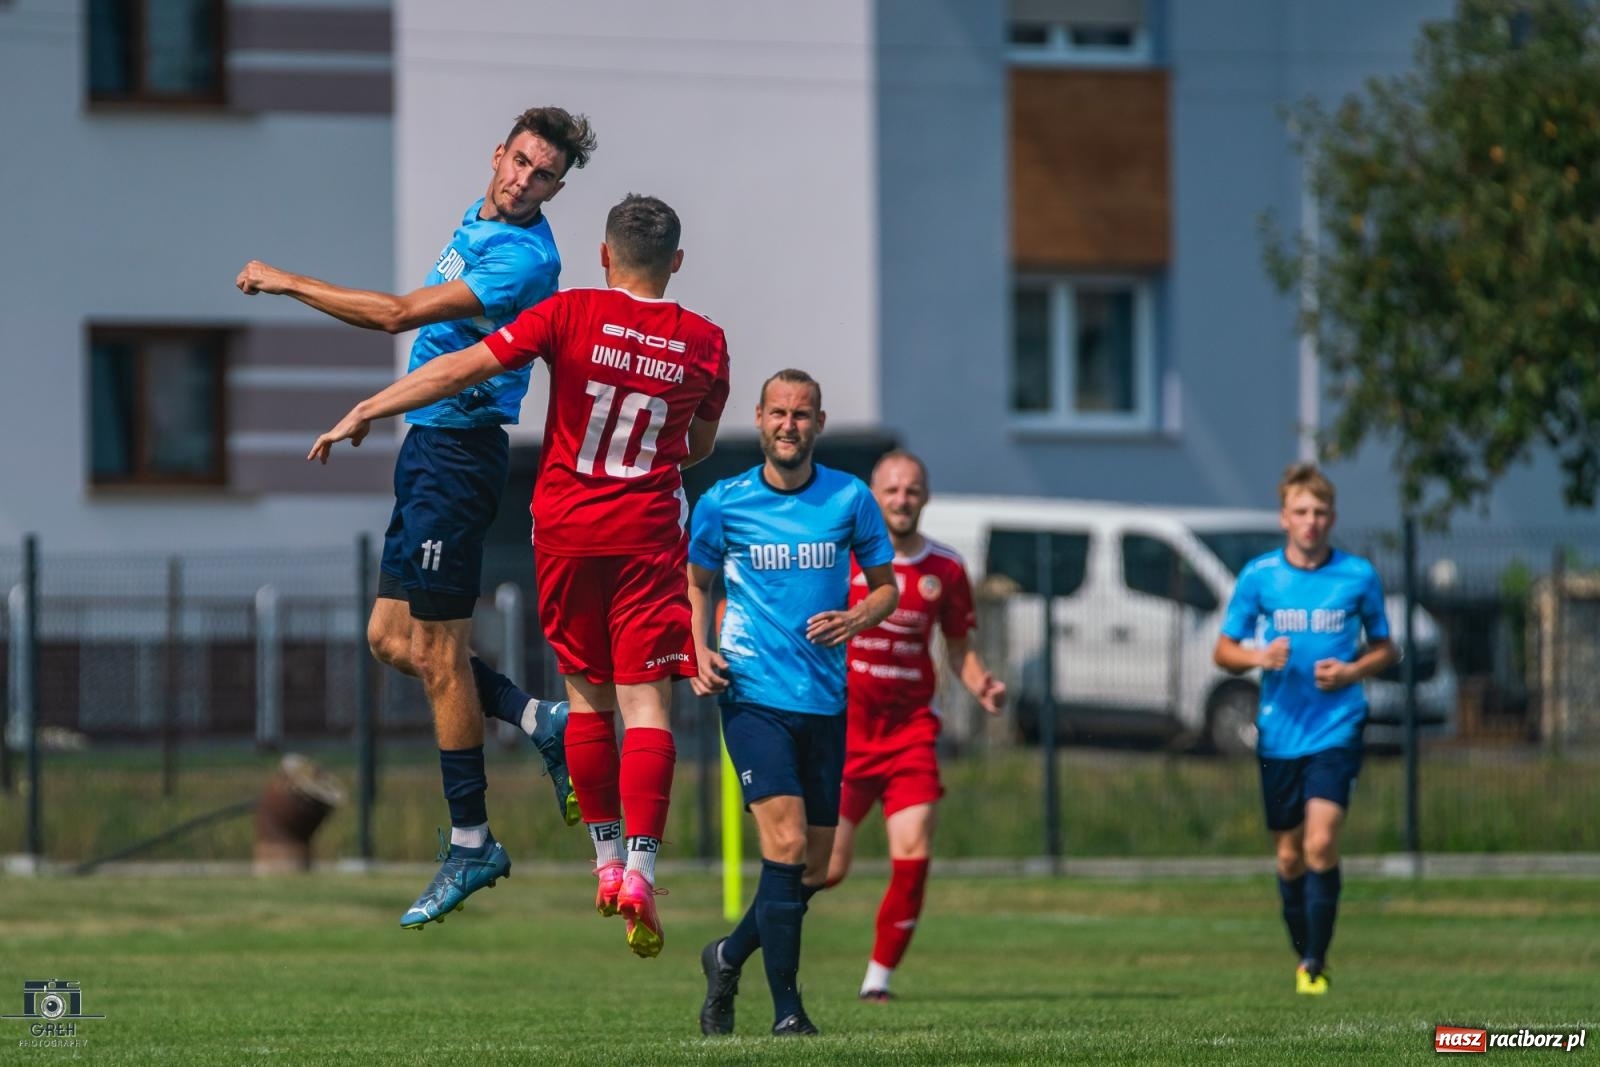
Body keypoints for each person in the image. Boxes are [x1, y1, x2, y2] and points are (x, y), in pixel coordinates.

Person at [311, 194, 730, 957]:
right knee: (646, 705)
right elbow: (697, 444)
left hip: (568, 530)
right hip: (645, 535)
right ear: (675, 262)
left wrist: (370, 406)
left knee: (586, 698)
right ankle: (639, 867)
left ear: (604, 257)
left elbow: (461, 366)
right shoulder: (704, 341)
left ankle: (602, 860)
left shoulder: (568, 313)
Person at [242, 106, 598, 929]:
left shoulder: (520, 257)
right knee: (388, 638)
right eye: (517, 161)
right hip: (427, 450)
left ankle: (472, 839)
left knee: (438, 656)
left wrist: (289, 282)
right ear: (498, 154)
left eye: (542, 174)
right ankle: (543, 720)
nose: (522, 179)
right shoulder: (479, 216)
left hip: (460, 455)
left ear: (558, 187)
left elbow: (401, 315)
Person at [688, 370, 899, 1037]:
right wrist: (696, 652)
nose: (789, 425)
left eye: (802, 414)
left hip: (825, 700)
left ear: (820, 423)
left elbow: (888, 587)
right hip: (752, 696)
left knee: (813, 864)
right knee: (781, 843)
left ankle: (726, 957)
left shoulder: (850, 497)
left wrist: (856, 617)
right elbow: (696, 582)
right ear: (759, 419)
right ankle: (787, 1012)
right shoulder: (723, 502)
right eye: (778, 413)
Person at [823, 449, 1007, 1002]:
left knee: (914, 851)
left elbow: (958, 649)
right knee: (826, 869)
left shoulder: (945, 569)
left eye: (912, 490)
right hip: (845, 732)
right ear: (873, 497)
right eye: (892, 490)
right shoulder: (841, 558)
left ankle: (877, 980)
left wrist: (980, 683)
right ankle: (758, 945)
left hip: (909, 734)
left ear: (924, 498)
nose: (902, 500)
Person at [1212, 463, 1397, 995]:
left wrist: (1352, 672)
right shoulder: (1260, 576)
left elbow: (1386, 648)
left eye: (1319, 512)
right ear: (1284, 517)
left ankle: (1315, 961)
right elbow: (1222, 651)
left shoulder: (1358, 575)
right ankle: (1302, 950)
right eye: (1301, 512)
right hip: (1278, 732)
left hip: (1337, 728)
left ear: (1332, 518)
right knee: (1290, 854)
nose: (1311, 521)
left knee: (1321, 843)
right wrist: (1257, 656)